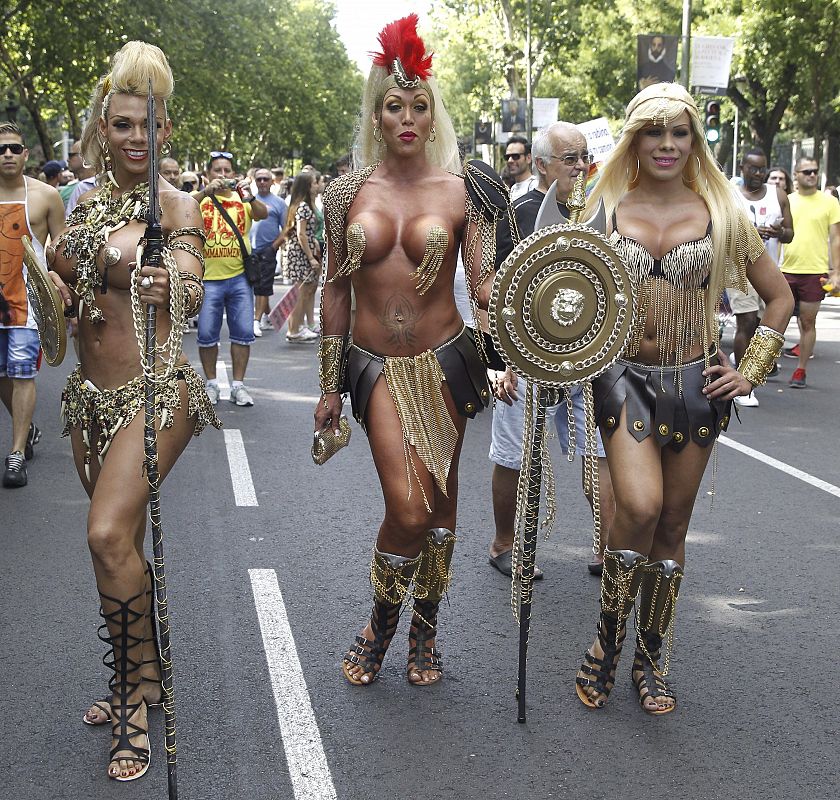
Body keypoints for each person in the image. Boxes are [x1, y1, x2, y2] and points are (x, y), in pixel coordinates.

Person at [574, 83, 793, 716]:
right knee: (638, 508)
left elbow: (777, 299)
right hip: (624, 378)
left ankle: (650, 655)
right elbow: (562, 290)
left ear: (694, 142)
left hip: (698, 385)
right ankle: (606, 639)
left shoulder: (721, 214)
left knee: (673, 523)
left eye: (680, 132)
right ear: (633, 142)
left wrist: (750, 371)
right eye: (654, 131)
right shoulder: (603, 210)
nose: (667, 144)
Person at [45, 41, 220, 781]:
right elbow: (69, 280)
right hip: (89, 400)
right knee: (118, 550)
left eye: (148, 125)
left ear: (166, 132)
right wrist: (58, 288)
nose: (136, 138)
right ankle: (145, 676)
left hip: (158, 393)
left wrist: (164, 286)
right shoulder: (83, 204)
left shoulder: (176, 205)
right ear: (99, 130)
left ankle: (128, 698)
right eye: (121, 125)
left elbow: (188, 281)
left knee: (106, 531)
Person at [315, 14, 507, 687]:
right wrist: (330, 385)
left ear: (434, 116)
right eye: (392, 105)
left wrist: (506, 351)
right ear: (374, 115)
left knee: (442, 506)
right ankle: (380, 625)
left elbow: (484, 285)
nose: (406, 117)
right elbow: (334, 292)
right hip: (375, 368)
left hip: (448, 361)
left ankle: (424, 632)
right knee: (409, 508)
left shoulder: (466, 191)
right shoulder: (345, 194)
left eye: (418, 106)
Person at [490, 121, 616, 579]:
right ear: (542, 165)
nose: (581, 166)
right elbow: (496, 293)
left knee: (598, 451)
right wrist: (502, 364)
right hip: (524, 358)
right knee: (514, 455)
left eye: (584, 156)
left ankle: (608, 549)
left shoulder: (600, 212)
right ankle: (504, 543)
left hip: (586, 357)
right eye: (569, 159)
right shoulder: (517, 212)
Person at [0, 121, 65, 487]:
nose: (7, 154)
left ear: (25, 154)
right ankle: (28, 429)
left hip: (27, 302)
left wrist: (62, 287)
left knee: (22, 372)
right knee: (2, 375)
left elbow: (61, 251)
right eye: (0, 149)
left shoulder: (45, 196)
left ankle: (16, 453)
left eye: (13, 148)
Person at [191, 151, 267, 405]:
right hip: (208, 279)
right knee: (206, 334)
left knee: (243, 333)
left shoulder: (240, 197)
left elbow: (262, 213)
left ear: (233, 174)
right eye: (217, 171)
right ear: (208, 174)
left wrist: (250, 194)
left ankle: (238, 386)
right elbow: (180, 208)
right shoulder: (200, 200)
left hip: (239, 279)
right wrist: (205, 192)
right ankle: (211, 384)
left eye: (227, 171)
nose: (223, 175)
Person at [730, 148, 794, 406]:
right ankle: (743, 384)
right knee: (745, 322)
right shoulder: (730, 196)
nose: (758, 173)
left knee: (760, 323)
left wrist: (779, 231)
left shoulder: (778, 195)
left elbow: (790, 234)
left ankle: (749, 367)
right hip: (738, 268)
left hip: (769, 271)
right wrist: (748, 232)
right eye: (753, 168)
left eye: (762, 169)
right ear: (742, 167)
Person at [779, 156, 840, 388]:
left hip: (814, 271)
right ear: (796, 175)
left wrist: (836, 272)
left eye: (814, 171)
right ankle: (766, 364)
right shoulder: (787, 200)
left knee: (807, 322)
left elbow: (836, 239)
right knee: (777, 319)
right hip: (785, 269)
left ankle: (800, 370)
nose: (812, 175)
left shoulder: (829, 202)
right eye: (806, 172)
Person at [283, 171, 321, 342]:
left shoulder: (303, 204)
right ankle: (293, 330)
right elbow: (301, 234)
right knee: (300, 293)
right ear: (306, 186)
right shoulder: (303, 206)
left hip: (302, 252)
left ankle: (298, 327)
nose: (316, 185)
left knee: (303, 292)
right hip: (300, 254)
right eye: (313, 183)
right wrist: (311, 257)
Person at [250, 166, 287, 335]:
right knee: (254, 285)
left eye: (266, 179)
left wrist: (273, 247)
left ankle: (256, 321)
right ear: (254, 181)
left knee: (263, 286)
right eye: (259, 179)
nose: (262, 182)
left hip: (267, 250)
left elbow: (287, 229)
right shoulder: (248, 200)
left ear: (272, 182)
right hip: (249, 251)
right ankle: (268, 315)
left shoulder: (279, 203)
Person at [505, 134, 536, 200]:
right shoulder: (513, 189)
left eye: (515, 156)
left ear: (528, 158)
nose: (510, 160)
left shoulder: (535, 186)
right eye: (507, 157)